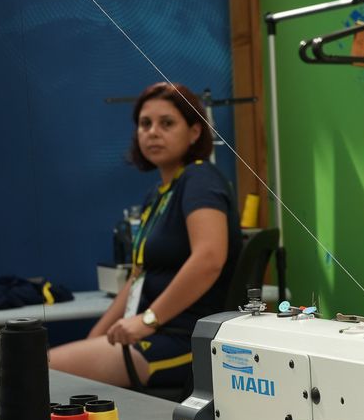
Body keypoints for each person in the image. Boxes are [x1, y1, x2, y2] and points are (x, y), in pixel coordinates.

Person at [50, 82, 241, 389]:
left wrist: (147, 320)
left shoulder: (200, 179)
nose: (153, 132)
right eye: (145, 123)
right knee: (44, 369)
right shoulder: (159, 192)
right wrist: (96, 337)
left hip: (187, 339)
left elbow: (209, 259)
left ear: (194, 132)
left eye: (167, 123)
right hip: (155, 332)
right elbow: (138, 277)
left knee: (42, 372)